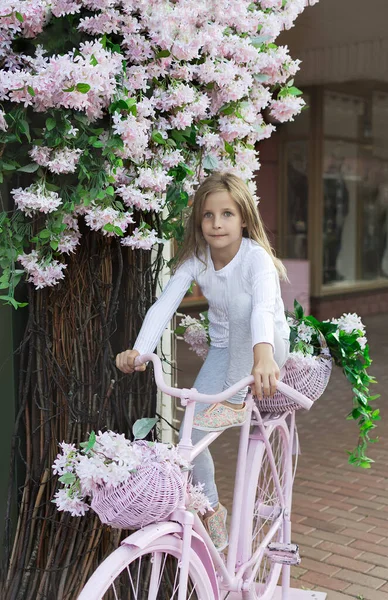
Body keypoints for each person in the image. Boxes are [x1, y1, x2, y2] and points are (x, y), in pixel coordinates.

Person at [116, 172, 290, 551]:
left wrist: (263, 355)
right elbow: (166, 303)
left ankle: (233, 402)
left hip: (267, 348)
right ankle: (210, 507)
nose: (216, 223)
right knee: (189, 436)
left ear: (244, 218)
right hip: (227, 352)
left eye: (227, 214)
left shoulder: (254, 258)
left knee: (246, 308)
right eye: (208, 215)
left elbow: (260, 308)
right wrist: (140, 350)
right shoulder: (198, 259)